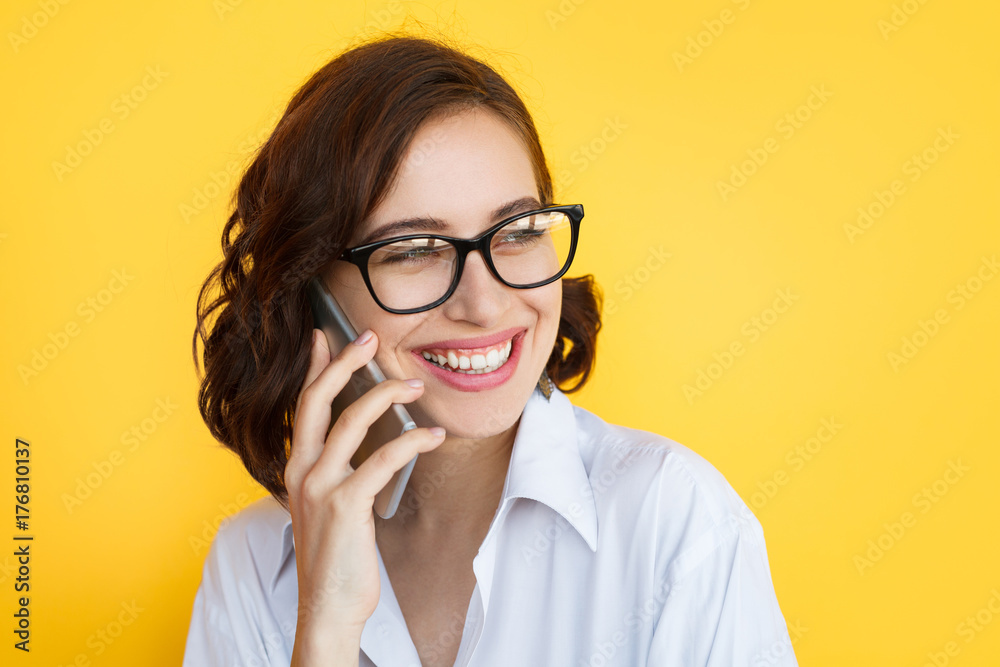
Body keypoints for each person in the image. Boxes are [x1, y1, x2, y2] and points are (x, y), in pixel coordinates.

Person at [184, 34, 798, 667]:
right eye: (414, 250)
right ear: (312, 295)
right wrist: (324, 629)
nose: (483, 303)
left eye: (519, 232)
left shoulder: (675, 522)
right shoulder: (254, 565)